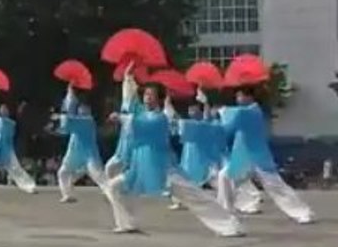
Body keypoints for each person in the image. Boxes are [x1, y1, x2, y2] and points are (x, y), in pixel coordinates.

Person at [104, 84, 243, 237]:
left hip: (163, 170)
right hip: (139, 169)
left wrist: (122, 118)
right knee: (113, 187)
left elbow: (142, 125)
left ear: (159, 99)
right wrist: (128, 82)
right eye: (145, 94)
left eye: (151, 95)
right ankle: (127, 223)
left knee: (195, 197)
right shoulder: (142, 115)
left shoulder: (160, 118)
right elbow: (133, 116)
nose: (147, 98)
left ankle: (229, 226)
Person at [216, 88, 314, 224]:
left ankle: (303, 212)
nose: (238, 99)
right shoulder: (243, 112)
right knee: (225, 177)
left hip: (259, 157)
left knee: (277, 187)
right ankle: (226, 213)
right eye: (237, 96)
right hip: (243, 157)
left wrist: (222, 112)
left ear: (250, 97)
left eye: (241, 96)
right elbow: (229, 129)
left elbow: (230, 125)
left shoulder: (253, 111)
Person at [53, 86, 104, 203]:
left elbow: (68, 121)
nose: (82, 111)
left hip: (89, 155)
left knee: (99, 176)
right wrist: (70, 94)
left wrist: (70, 97)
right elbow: (65, 127)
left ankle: (111, 191)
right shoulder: (78, 121)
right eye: (80, 109)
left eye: (85, 109)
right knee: (63, 172)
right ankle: (67, 195)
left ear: (89, 111)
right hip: (74, 152)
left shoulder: (88, 121)